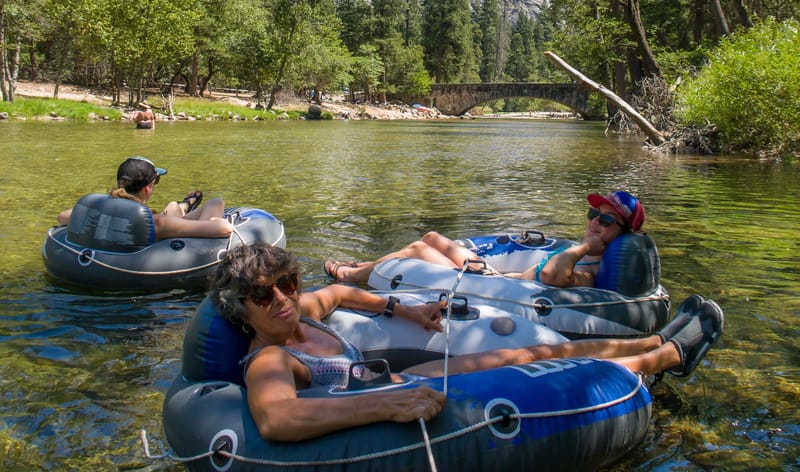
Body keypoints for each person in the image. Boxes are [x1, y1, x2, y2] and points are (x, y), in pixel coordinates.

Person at [211, 243, 724, 442]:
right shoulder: (270, 357)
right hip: (389, 392)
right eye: (263, 294)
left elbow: (345, 291)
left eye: (289, 283)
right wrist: (384, 405)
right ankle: (664, 357)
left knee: (539, 351)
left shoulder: (300, 312)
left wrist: (403, 308)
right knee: (541, 366)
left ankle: (653, 338)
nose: (281, 298)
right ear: (242, 307)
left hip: (397, 377)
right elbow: (278, 418)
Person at [324, 190, 645, 287]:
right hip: (495, 276)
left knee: (418, 249)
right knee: (432, 236)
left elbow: (550, 275)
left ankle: (352, 275)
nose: (594, 223)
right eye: (593, 215)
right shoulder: (583, 255)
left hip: (494, 289)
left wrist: (586, 246)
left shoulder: (593, 270)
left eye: (606, 220)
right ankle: (368, 265)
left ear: (622, 233)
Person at [57, 156, 233, 241]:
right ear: (148, 187)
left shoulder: (96, 207)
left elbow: (62, 217)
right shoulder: (156, 223)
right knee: (216, 202)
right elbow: (224, 228)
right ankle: (183, 205)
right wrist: (217, 219)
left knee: (172, 209)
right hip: (164, 230)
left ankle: (182, 205)